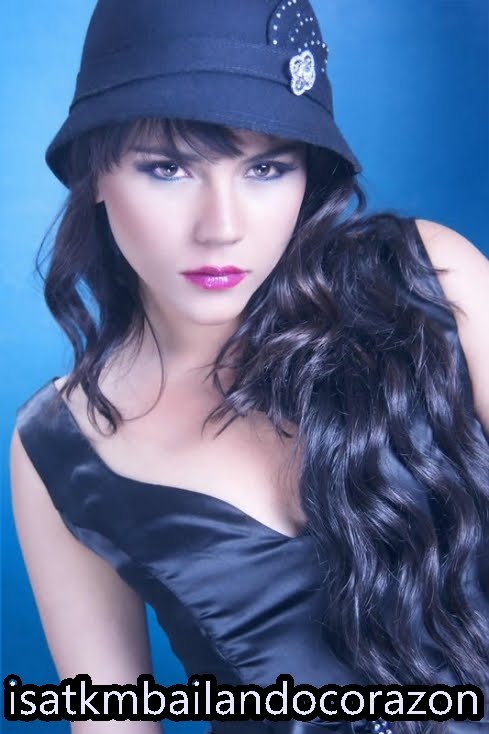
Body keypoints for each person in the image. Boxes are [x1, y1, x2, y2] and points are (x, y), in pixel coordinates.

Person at [9, 1, 489, 733]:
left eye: (265, 167)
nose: (222, 227)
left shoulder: (429, 283)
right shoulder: (61, 444)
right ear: (93, 171)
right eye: (167, 168)